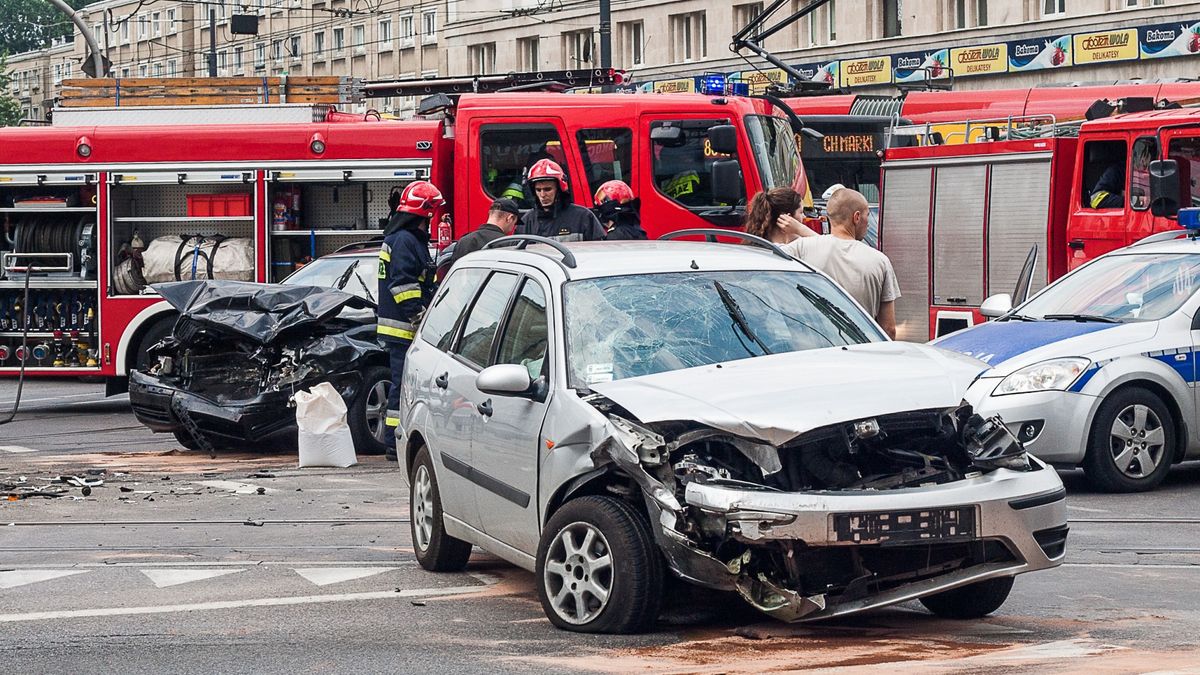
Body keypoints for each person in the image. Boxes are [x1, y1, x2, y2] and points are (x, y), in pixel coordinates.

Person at [781, 188, 900, 339]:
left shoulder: (800, 249)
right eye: (867, 216)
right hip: (863, 352)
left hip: (816, 348)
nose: (868, 222)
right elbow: (889, 329)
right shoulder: (880, 261)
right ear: (856, 217)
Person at [377, 180, 443, 456]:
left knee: (403, 384)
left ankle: (397, 440)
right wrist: (420, 315)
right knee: (402, 385)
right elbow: (403, 284)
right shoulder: (405, 241)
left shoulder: (401, 237)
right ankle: (394, 443)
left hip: (400, 327)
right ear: (424, 213)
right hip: (404, 328)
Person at [516, 158, 606, 241]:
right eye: (538, 190)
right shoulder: (527, 221)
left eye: (547, 189)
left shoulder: (583, 217)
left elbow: (599, 252)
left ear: (559, 189)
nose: (542, 195)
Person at [448, 198, 520, 268]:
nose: (513, 227)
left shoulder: (464, 241)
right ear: (510, 218)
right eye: (515, 222)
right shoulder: (509, 245)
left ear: (490, 214)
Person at [743, 187, 818, 244]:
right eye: (801, 212)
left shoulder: (757, 246)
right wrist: (800, 229)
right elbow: (827, 247)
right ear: (787, 218)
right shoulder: (795, 248)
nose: (804, 216)